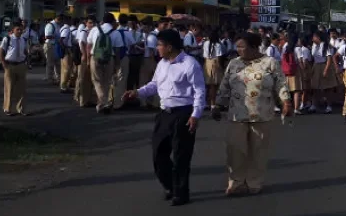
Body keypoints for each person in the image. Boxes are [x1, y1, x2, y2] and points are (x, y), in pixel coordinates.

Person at [123, 29, 205, 206]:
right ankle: (170, 185)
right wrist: (137, 93)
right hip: (164, 114)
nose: (157, 48)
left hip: (183, 112)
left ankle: (181, 193)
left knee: (181, 156)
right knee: (158, 154)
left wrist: (195, 115)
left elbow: (199, 91)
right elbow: (154, 85)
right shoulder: (162, 64)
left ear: (169, 47)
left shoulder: (190, 64)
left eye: (159, 45)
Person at [213, 32, 292, 196]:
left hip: (261, 114)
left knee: (258, 152)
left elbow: (281, 84)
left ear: (254, 47)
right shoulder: (234, 64)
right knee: (235, 151)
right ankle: (236, 183)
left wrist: (286, 102)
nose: (239, 50)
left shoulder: (269, 63)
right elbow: (225, 85)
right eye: (238, 47)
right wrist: (218, 105)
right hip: (237, 115)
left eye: (243, 47)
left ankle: (254, 182)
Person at [0, 21, 28, 116]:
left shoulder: (23, 39)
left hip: (21, 65)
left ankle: (21, 108)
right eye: (17, 29)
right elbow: (1, 52)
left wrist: (27, 61)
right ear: (13, 30)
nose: (19, 31)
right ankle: (7, 108)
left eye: (21, 29)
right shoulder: (7, 39)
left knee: (21, 88)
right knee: (9, 88)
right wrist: (4, 64)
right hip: (10, 65)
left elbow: (25, 51)